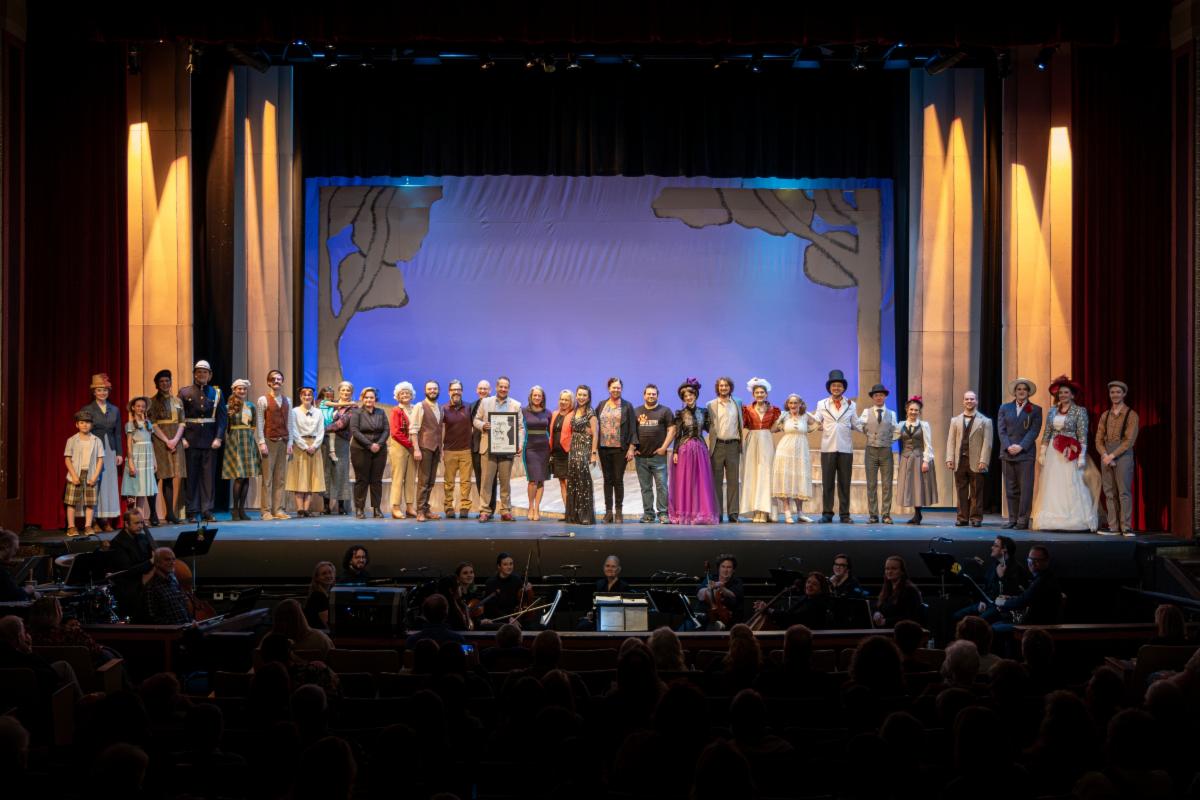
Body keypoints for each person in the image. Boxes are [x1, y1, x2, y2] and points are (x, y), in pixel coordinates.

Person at [1032, 375, 1099, 532]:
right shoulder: (1052, 411)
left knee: (1072, 483)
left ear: (1072, 395)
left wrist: (1082, 455)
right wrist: (1042, 450)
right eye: (1061, 393)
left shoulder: (1079, 411)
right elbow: (1047, 431)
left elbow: (1082, 434)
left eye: (1066, 392)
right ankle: (1052, 518)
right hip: (1053, 453)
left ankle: (1075, 519)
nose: (1063, 395)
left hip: (1071, 451)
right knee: (1053, 484)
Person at [179, 360, 227, 523]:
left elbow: (222, 418)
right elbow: (180, 418)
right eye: (199, 372)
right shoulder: (184, 393)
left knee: (208, 478)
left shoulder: (217, 393)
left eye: (205, 372)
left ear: (210, 375)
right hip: (190, 441)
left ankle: (207, 509)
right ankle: (192, 511)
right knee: (191, 477)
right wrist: (182, 438)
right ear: (194, 374)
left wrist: (219, 438)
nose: (202, 375)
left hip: (209, 441)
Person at [473, 376, 525, 523]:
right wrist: (483, 425)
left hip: (507, 448)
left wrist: (519, 444)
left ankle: (505, 511)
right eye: (501, 386)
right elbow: (475, 420)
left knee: (505, 482)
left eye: (506, 387)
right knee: (486, 481)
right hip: (488, 448)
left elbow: (520, 428)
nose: (503, 389)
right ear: (496, 387)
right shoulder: (485, 402)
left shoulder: (515, 405)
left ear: (508, 388)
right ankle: (484, 510)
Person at [812, 369, 860, 524]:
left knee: (845, 483)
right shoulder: (822, 404)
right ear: (829, 388)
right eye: (834, 385)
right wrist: (801, 414)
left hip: (846, 447)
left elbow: (856, 423)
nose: (836, 388)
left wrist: (871, 428)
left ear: (843, 388)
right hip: (828, 447)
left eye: (839, 385)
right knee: (827, 483)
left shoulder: (851, 405)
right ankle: (827, 513)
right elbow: (816, 420)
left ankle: (845, 514)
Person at [669, 378, 718, 525]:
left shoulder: (704, 412)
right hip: (685, 449)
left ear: (695, 395)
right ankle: (686, 513)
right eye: (685, 396)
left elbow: (710, 429)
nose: (688, 398)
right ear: (683, 399)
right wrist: (676, 452)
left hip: (700, 449)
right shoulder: (680, 413)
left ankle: (700, 513)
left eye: (690, 395)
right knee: (686, 481)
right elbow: (678, 435)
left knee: (700, 481)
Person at [997, 377, 1043, 530]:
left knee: (1025, 488)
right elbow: (1001, 430)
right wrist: (1009, 446)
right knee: (1011, 488)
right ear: (1015, 392)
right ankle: (1012, 519)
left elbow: (1034, 431)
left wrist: (1021, 446)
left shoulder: (1035, 409)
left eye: (1024, 389)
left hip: (1025, 454)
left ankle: (1022, 521)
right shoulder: (1004, 408)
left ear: (1028, 392)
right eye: (1019, 389)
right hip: (1007, 452)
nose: (1021, 391)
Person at [79, 373, 123, 531]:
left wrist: (119, 453)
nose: (102, 393)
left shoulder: (115, 410)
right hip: (93, 449)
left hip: (110, 449)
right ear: (94, 392)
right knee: (94, 483)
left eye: (105, 390)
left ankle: (105, 519)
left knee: (108, 485)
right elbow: (84, 430)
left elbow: (117, 433)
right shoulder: (88, 409)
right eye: (99, 390)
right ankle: (94, 520)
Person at [1096, 380, 1140, 535]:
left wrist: (1113, 455)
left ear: (1124, 394)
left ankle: (1126, 527)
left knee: (1124, 491)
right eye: (1112, 392)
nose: (1115, 395)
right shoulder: (1105, 415)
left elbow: (1129, 441)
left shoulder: (1131, 415)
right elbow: (1099, 438)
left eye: (1118, 392)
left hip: (1123, 454)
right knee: (1109, 492)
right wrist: (1105, 454)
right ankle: (1113, 527)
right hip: (1106, 453)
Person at [945, 390, 993, 528]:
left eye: (972, 399)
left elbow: (987, 443)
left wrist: (984, 460)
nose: (969, 401)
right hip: (960, 460)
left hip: (977, 461)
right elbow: (951, 441)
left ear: (976, 401)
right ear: (963, 401)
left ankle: (976, 517)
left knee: (976, 491)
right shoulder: (955, 420)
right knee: (961, 490)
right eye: (967, 399)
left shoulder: (985, 421)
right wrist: (950, 458)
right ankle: (962, 517)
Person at [595, 378, 638, 524]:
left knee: (618, 480)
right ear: (609, 388)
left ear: (621, 389)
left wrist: (632, 447)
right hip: (603, 448)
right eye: (613, 387)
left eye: (618, 388)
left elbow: (633, 428)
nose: (616, 390)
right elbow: (594, 424)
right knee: (607, 480)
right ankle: (608, 512)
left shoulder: (627, 406)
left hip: (620, 449)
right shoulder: (601, 405)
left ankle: (618, 511)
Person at [148, 369, 186, 525]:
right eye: (161, 381)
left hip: (175, 440)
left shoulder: (177, 401)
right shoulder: (151, 402)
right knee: (156, 478)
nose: (165, 384)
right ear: (157, 384)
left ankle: (170, 513)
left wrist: (175, 439)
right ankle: (153, 515)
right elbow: (153, 424)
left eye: (167, 381)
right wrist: (166, 440)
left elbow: (182, 422)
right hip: (159, 441)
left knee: (170, 478)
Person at [634, 384, 675, 524]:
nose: (651, 396)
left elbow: (672, 430)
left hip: (658, 457)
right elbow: (632, 432)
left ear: (657, 395)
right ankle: (648, 514)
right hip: (641, 458)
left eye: (654, 394)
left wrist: (664, 447)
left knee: (662, 486)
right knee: (645, 488)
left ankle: (663, 513)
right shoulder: (636, 411)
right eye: (648, 394)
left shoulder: (665, 411)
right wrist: (633, 448)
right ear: (644, 395)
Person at [104, 509, 158, 618]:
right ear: (126, 524)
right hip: (130, 586)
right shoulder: (117, 543)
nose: (141, 526)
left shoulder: (143, 538)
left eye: (142, 522)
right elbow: (128, 571)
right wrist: (151, 561)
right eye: (137, 523)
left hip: (144, 581)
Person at [740, 377, 780, 523]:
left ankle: (766, 510)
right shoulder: (747, 409)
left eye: (762, 392)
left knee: (766, 473)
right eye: (757, 392)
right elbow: (741, 424)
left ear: (766, 394)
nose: (760, 395)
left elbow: (777, 427)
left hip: (767, 440)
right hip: (752, 441)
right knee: (753, 474)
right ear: (753, 394)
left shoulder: (774, 410)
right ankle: (756, 510)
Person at [858, 383, 899, 524]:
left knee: (887, 483)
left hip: (886, 450)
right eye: (876, 395)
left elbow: (896, 430)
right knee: (871, 484)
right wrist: (870, 436)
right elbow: (860, 426)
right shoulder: (866, 412)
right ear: (873, 397)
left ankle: (886, 514)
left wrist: (889, 440)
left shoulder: (892, 414)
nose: (879, 397)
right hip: (871, 450)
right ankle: (873, 514)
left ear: (885, 396)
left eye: (881, 395)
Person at [221, 380, 261, 521]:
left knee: (246, 477)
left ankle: (242, 510)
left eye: (244, 389)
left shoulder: (251, 406)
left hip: (248, 441)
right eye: (239, 389)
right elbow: (225, 427)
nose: (242, 391)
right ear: (234, 390)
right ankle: (235, 510)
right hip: (235, 441)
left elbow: (254, 424)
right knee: (239, 477)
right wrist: (229, 441)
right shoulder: (228, 407)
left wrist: (249, 436)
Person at [704, 376, 743, 523]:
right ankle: (717, 513)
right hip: (717, 446)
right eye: (721, 386)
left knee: (733, 482)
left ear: (730, 387)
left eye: (726, 385)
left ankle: (733, 514)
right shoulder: (711, 405)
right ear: (717, 388)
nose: (723, 388)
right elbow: (708, 425)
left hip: (733, 445)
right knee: (716, 482)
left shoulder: (737, 403)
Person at [771, 394, 814, 524]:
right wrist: (779, 423)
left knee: (799, 480)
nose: (793, 405)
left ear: (800, 404)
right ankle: (787, 512)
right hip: (785, 450)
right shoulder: (784, 416)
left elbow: (818, 424)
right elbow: (772, 429)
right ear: (788, 404)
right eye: (791, 403)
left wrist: (809, 428)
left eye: (796, 403)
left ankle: (800, 513)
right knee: (786, 480)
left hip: (801, 451)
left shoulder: (805, 416)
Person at [255, 369, 292, 521]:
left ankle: (279, 509)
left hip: (283, 441)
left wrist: (290, 442)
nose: (276, 381)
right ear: (269, 382)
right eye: (273, 379)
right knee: (268, 478)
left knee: (280, 478)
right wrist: (261, 442)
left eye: (279, 379)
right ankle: (266, 510)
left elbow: (290, 422)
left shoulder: (287, 400)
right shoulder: (263, 400)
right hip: (269, 441)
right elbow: (259, 422)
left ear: (282, 382)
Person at [994, 545, 1063, 625]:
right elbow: (1027, 597)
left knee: (994, 627)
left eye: (1037, 560)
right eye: (1030, 559)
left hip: (1039, 626)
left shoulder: (1043, 581)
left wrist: (1003, 603)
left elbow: (1022, 602)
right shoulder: (1042, 577)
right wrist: (1010, 599)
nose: (1032, 563)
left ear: (1046, 561)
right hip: (1036, 623)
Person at [896, 396, 937, 525]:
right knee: (909, 486)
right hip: (906, 459)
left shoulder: (924, 425)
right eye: (911, 409)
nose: (913, 412)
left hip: (919, 458)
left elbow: (928, 444)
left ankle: (918, 514)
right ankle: (916, 514)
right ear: (907, 410)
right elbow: (892, 437)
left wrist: (926, 461)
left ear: (919, 412)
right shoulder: (901, 425)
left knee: (919, 486)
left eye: (916, 410)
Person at [286, 387, 326, 518]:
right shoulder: (294, 412)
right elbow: (293, 430)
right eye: (304, 395)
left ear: (313, 396)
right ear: (300, 397)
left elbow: (321, 431)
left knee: (311, 477)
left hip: (315, 446)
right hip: (300, 446)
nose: (307, 397)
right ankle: (299, 509)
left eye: (309, 395)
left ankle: (306, 509)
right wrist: (304, 446)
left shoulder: (319, 412)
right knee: (300, 476)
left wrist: (314, 446)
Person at [349, 388, 388, 518]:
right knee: (362, 480)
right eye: (366, 397)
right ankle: (359, 509)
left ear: (375, 399)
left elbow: (386, 431)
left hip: (379, 450)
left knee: (376, 480)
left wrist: (379, 444)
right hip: (360, 449)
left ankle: (377, 508)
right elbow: (355, 431)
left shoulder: (381, 412)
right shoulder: (357, 412)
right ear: (362, 398)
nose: (369, 400)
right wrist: (369, 445)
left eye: (371, 397)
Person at [63, 410, 104, 536]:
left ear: (91, 425)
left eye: (87, 423)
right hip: (76, 474)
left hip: (90, 474)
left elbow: (100, 459)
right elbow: (67, 458)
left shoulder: (97, 440)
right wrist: (74, 476)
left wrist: (95, 476)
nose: (85, 425)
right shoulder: (72, 440)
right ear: (77, 425)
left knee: (90, 502)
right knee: (71, 501)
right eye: (82, 422)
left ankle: (88, 526)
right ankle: (71, 526)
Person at [408, 380, 444, 522]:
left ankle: (426, 509)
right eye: (430, 389)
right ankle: (420, 511)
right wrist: (416, 449)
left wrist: (441, 449)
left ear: (438, 391)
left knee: (431, 481)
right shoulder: (420, 406)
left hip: (436, 448)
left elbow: (439, 430)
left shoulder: (440, 408)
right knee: (423, 481)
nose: (432, 391)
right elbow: (414, 429)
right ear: (425, 391)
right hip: (424, 448)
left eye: (435, 389)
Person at [563, 385, 598, 526]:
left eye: (585, 395)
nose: (582, 397)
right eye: (580, 395)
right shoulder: (575, 410)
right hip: (574, 449)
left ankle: (585, 516)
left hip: (585, 449)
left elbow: (595, 434)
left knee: (584, 483)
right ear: (576, 396)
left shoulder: (590, 412)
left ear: (588, 397)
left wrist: (593, 453)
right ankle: (574, 515)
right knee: (574, 482)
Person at [439, 380, 474, 519]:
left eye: (459, 389)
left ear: (462, 391)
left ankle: (465, 507)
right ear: (449, 392)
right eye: (453, 389)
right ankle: (448, 507)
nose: (456, 392)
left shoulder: (469, 407)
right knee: (449, 482)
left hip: (466, 450)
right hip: (449, 451)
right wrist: (441, 448)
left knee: (466, 481)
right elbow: (440, 429)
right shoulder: (444, 408)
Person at [751, 572, 832, 630]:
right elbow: (788, 613)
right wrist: (767, 609)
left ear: (821, 589)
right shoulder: (805, 598)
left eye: (814, 584)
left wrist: (769, 610)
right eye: (808, 582)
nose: (809, 585)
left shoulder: (819, 604)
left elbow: (792, 618)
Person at [322, 381, 356, 515]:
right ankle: (326, 505)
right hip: (326, 441)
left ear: (351, 393)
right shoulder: (331, 403)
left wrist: (321, 429)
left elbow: (341, 424)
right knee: (327, 472)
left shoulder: (353, 408)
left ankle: (341, 505)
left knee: (341, 472)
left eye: (348, 390)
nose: (345, 392)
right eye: (343, 390)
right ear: (339, 391)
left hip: (341, 442)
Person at [388, 381, 418, 519]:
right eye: (402, 393)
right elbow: (395, 432)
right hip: (400, 446)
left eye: (407, 393)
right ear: (398, 396)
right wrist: (411, 445)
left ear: (412, 395)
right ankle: (395, 507)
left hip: (412, 446)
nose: (405, 395)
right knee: (398, 477)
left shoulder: (415, 409)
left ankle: (410, 506)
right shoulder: (396, 410)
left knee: (411, 477)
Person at [522, 386, 552, 522]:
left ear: (543, 398)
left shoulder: (548, 413)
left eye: (539, 396)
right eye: (535, 395)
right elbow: (519, 429)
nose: (537, 398)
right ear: (531, 396)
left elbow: (551, 432)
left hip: (544, 448)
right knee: (532, 480)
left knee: (541, 479)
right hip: (530, 448)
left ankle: (537, 509)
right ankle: (530, 507)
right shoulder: (523, 411)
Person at [480, 552, 533, 627]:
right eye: (505, 564)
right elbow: (491, 608)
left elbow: (522, 600)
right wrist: (508, 619)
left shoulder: (517, 579)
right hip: (498, 618)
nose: (509, 567)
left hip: (515, 616)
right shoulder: (491, 582)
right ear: (499, 566)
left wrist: (527, 590)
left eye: (511, 564)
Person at [142, 547, 193, 625]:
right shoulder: (151, 587)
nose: (172, 562)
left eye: (173, 559)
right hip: (172, 633)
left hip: (186, 629)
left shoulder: (173, 580)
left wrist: (190, 621)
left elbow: (183, 606)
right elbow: (153, 618)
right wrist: (178, 627)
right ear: (157, 563)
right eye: (167, 559)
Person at [469, 379, 497, 514]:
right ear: (476, 390)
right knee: (480, 478)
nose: (482, 391)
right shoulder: (473, 405)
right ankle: (483, 510)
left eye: (485, 389)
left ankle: (491, 508)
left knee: (490, 479)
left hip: (491, 447)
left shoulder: (495, 403)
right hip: (476, 447)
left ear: (490, 390)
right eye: (480, 388)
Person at [696, 554, 745, 629]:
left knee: (712, 628)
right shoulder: (711, 578)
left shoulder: (737, 582)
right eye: (723, 567)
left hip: (729, 620)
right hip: (707, 617)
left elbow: (734, 596)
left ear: (733, 570)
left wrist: (721, 587)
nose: (725, 570)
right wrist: (708, 590)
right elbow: (700, 594)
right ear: (719, 568)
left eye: (729, 567)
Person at [872, 555, 923, 627]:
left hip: (901, 630)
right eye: (887, 569)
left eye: (894, 569)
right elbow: (877, 606)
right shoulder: (887, 588)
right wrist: (876, 613)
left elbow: (910, 617)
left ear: (902, 571)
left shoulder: (910, 590)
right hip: (886, 629)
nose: (889, 572)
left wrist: (886, 621)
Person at [549, 389, 574, 509]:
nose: (563, 402)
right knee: (562, 483)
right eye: (562, 399)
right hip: (557, 454)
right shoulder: (555, 414)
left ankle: (573, 511)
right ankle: (567, 511)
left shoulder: (574, 415)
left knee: (569, 483)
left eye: (566, 400)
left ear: (571, 402)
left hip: (568, 453)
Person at [443, 561, 480, 631]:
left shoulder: (473, 593)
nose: (469, 575)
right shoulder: (455, 596)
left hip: (473, 625)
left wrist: (483, 620)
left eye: (471, 572)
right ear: (458, 577)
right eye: (465, 573)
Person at [0, 530, 33, 601]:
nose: (14, 554)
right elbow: (13, 596)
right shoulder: (2, 571)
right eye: (15, 549)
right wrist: (27, 590)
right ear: (6, 546)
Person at [304, 561, 336, 629]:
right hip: (317, 636)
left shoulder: (327, 594)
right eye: (324, 574)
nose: (328, 576)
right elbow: (328, 624)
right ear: (317, 578)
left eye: (330, 572)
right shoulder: (318, 596)